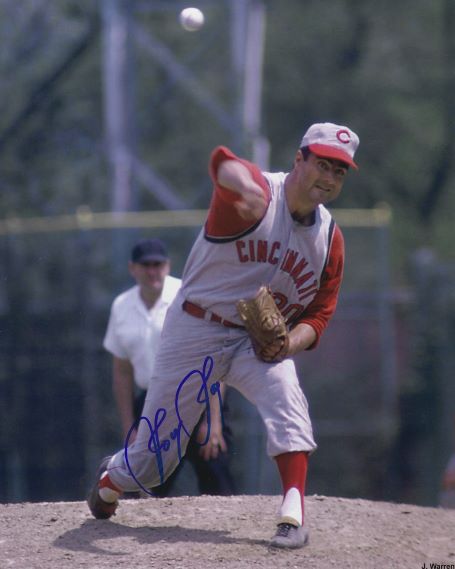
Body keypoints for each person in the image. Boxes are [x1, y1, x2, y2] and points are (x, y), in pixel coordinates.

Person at [88, 122, 360, 549]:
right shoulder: (256, 198)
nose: (328, 178)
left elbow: (321, 313)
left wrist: (289, 343)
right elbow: (223, 163)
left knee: (286, 396)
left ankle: (293, 514)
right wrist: (240, 185)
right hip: (197, 326)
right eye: (322, 164)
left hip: (254, 344)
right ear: (298, 159)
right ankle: (111, 479)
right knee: (154, 463)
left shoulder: (329, 239)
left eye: (339, 172)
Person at [103, 237, 235, 497]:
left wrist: (213, 420)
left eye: (158, 264)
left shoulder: (187, 296)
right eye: (146, 265)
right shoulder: (121, 306)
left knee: (217, 479)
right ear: (133, 269)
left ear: (168, 266)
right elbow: (122, 371)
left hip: (197, 398)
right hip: (153, 404)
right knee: (144, 488)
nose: (152, 271)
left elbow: (214, 356)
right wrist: (130, 425)